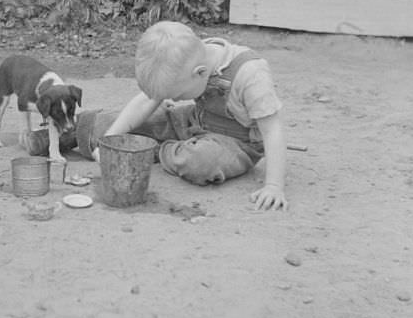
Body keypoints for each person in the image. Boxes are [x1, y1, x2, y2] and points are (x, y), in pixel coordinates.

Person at [88, 21, 288, 210]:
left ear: (200, 73)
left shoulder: (251, 75)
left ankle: (152, 151)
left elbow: (272, 131)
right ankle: (74, 129)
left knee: (201, 161)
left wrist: (273, 186)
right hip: (195, 122)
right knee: (106, 124)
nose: (173, 100)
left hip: (237, 143)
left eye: (178, 95)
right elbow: (145, 101)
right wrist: (108, 139)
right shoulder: (190, 57)